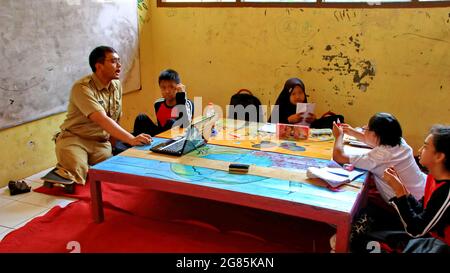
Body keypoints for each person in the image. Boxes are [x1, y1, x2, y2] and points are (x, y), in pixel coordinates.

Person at [52, 46, 152, 185]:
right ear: (99, 66)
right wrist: (131, 139)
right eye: (113, 61)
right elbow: (101, 119)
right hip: (75, 139)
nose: (119, 65)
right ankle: (64, 169)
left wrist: (112, 145)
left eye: (119, 61)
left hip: (100, 142)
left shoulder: (116, 85)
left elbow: (115, 117)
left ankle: (77, 167)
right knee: (78, 177)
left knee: (113, 173)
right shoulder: (82, 88)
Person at [332, 112, 426, 203]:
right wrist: (352, 132)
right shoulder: (399, 142)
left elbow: (338, 156)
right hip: (424, 189)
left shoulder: (380, 156)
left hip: (409, 204)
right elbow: (373, 141)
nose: (364, 129)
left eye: (367, 129)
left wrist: (339, 136)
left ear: (376, 135)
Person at [382, 125, 450, 250]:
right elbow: (422, 210)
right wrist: (405, 191)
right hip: (431, 237)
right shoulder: (432, 177)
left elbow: (417, 230)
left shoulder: (446, 192)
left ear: (439, 156)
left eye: (425, 147)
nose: (419, 150)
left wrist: (399, 192)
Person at [132, 69, 194, 137]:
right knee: (141, 118)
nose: (167, 91)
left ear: (178, 87)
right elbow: (161, 127)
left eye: (171, 87)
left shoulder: (187, 103)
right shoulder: (158, 103)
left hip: (179, 137)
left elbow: (185, 125)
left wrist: (181, 96)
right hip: (161, 135)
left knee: (171, 123)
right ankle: (136, 143)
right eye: (163, 88)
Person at [268, 77, 344, 129]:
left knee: (338, 118)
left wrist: (314, 121)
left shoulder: (305, 108)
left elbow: (310, 130)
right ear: (287, 96)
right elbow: (269, 129)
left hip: (303, 143)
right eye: (293, 94)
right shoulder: (280, 108)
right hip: (282, 145)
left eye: (300, 92)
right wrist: (288, 121)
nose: (297, 96)